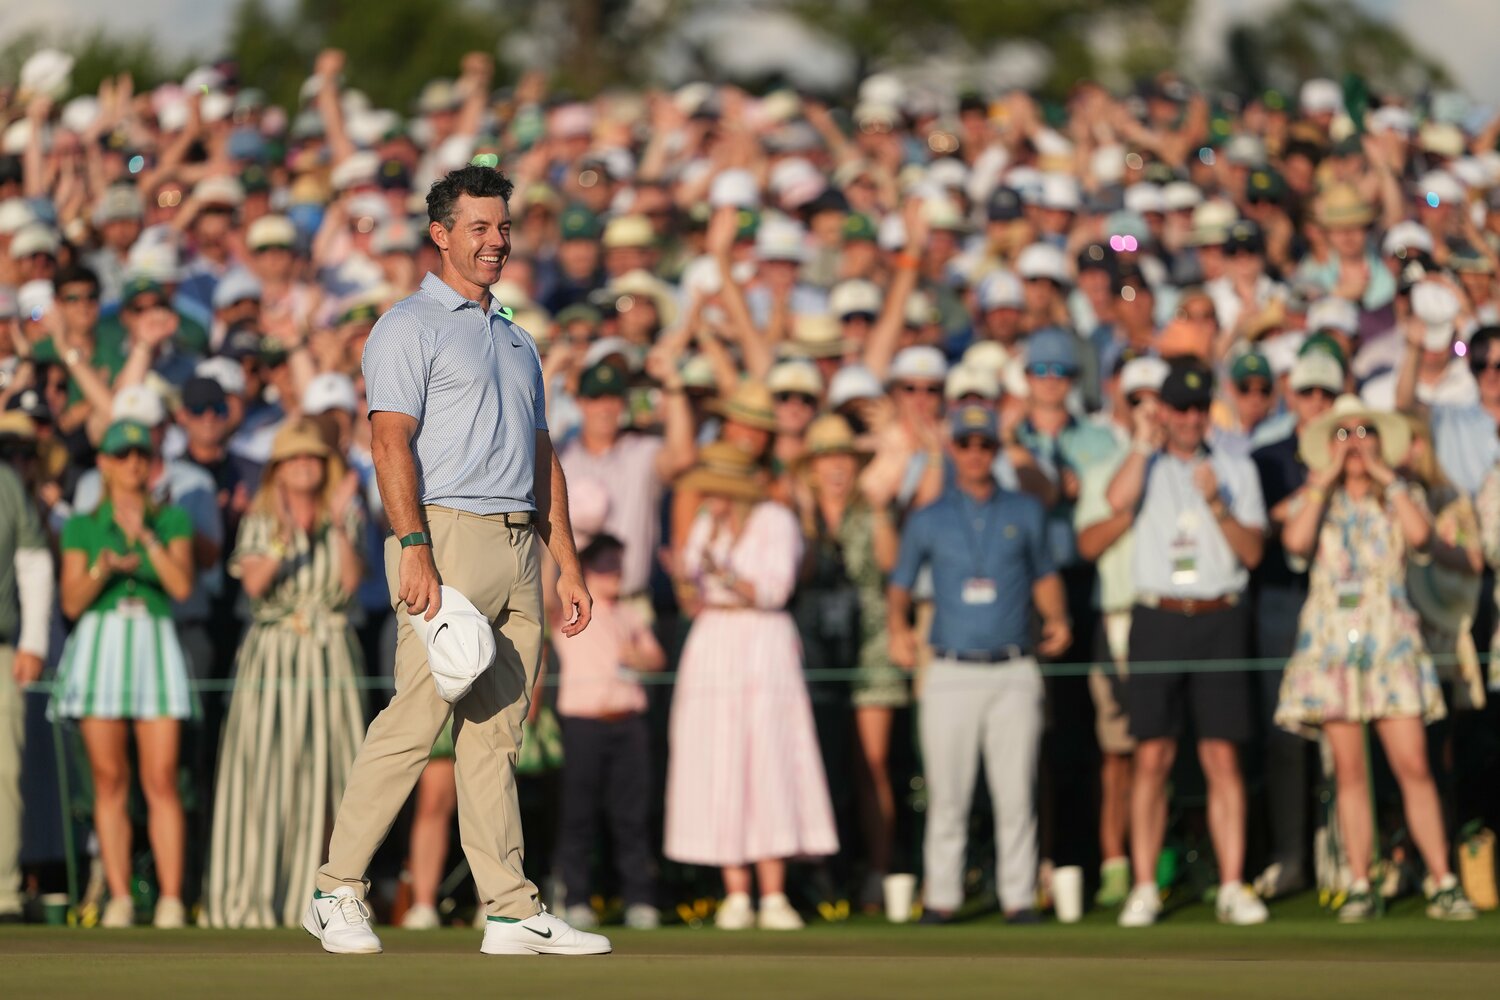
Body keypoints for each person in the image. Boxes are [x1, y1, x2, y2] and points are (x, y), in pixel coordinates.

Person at [305, 165, 608, 957]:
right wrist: (414, 547)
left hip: (519, 543)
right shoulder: (408, 325)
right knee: (416, 719)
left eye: (502, 226)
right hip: (444, 535)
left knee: (497, 736)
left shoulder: (518, 338)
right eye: (479, 227)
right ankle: (336, 889)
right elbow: (389, 441)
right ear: (440, 235)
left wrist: (567, 563)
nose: (495, 241)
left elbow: (542, 456)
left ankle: (509, 910)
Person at [1276, 396, 1476, 922]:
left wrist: (1386, 475)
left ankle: (1442, 878)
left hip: (1390, 640)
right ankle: (1361, 881)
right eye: (1343, 433)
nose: (1355, 442)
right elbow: (1295, 544)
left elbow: (1422, 538)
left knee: (1413, 764)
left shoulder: (1400, 493)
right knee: (1349, 771)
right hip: (1332, 644)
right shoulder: (1316, 497)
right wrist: (1324, 479)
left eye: (1364, 431)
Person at [888, 405, 1071, 924]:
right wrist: (898, 629)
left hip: (1013, 665)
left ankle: (1019, 896)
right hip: (951, 667)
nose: (974, 453)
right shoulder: (929, 517)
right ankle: (942, 896)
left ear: (996, 449)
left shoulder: (1024, 510)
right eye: (966, 443)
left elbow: (1044, 574)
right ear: (953, 449)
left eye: (984, 444)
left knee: (1016, 793)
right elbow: (900, 583)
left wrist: (1058, 617)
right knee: (948, 794)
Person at [1105, 362, 1270, 928]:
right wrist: (1141, 444)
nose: (1191, 419)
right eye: (1180, 408)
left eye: (1199, 408)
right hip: (1159, 616)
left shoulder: (1236, 466)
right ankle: (1144, 886)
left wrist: (1218, 503)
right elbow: (1116, 501)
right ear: (1164, 412)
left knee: (1222, 756)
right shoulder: (1144, 461)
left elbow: (1253, 552)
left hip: (1220, 615)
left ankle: (1232, 884)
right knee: (1151, 756)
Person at [664, 441, 837, 931]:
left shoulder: (775, 521)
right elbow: (696, 595)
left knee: (769, 756)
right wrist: (684, 580)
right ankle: (736, 892)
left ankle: (775, 893)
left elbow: (775, 590)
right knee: (719, 758)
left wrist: (725, 575)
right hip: (714, 640)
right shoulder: (706, 524)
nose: (710, 498)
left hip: (763, 642)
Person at [205, 421, 366, 928]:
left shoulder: (346, 513)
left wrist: (336, 524)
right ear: (277, 468)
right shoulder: (260, 518)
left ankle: (326, 897)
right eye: (294, 458)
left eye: (313, 457)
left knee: (336, 773)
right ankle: (255, 895)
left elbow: (351, 583)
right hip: (273, 654)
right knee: (263, 775)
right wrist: (282, 540)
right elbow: (254, 585)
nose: (304, 466)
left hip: (329, 650)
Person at [50, 420, 196, 929]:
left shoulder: (172, 519)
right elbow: (71, 601)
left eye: (141, 454)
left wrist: (147, 539)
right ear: (105, 464)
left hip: (153, 645)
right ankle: (118, 896)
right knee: (109, 779)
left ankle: (171, 899)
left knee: (161, 778)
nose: (133, 463)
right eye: (122, 454)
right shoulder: (82, 525)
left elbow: (181, 586)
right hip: (102, 647)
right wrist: (104, 567)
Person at [791, 414, 905, 912]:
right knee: (814, 763)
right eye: (825, 458)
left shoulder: (871, 510)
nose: (836, 467)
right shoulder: (797, 515)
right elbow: (796, 576)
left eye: (843, 458)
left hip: (871, 645)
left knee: (871, 765)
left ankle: (877, 872)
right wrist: (805, 520)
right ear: (812, 467)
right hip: (813, 649)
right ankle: (820, 875)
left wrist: (879, 511)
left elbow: (892, 565)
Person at [1246, 350, 1341, 900]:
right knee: (1285, 733)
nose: (1318, 404)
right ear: (1292, 395)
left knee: (1344, 728)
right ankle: (1290, 856)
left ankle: (1340, 852)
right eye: (1308, 393)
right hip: (1282, 600)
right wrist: (1314, 488)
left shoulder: (1353, 449)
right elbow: (1261, 529)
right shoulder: (1268, 457)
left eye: (1327, 394)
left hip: (1339, 600)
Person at [554, 533, 666, 931]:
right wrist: (569, 559)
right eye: (606, 565)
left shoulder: (630, 614)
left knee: (630, 817)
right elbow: (546, 587)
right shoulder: (568, 608)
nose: (615, 572)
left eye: (618, 564)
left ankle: (639, 899)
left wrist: (638, 657)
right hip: (583, 724)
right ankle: (575, 898)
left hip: (627, 723)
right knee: (578, 816)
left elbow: (656, 659)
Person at [0, 452, 53, 924]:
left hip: (1, 647)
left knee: (5, 772)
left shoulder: (6, 482)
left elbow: (33, 560)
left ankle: (3, 893)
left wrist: (33, 640)